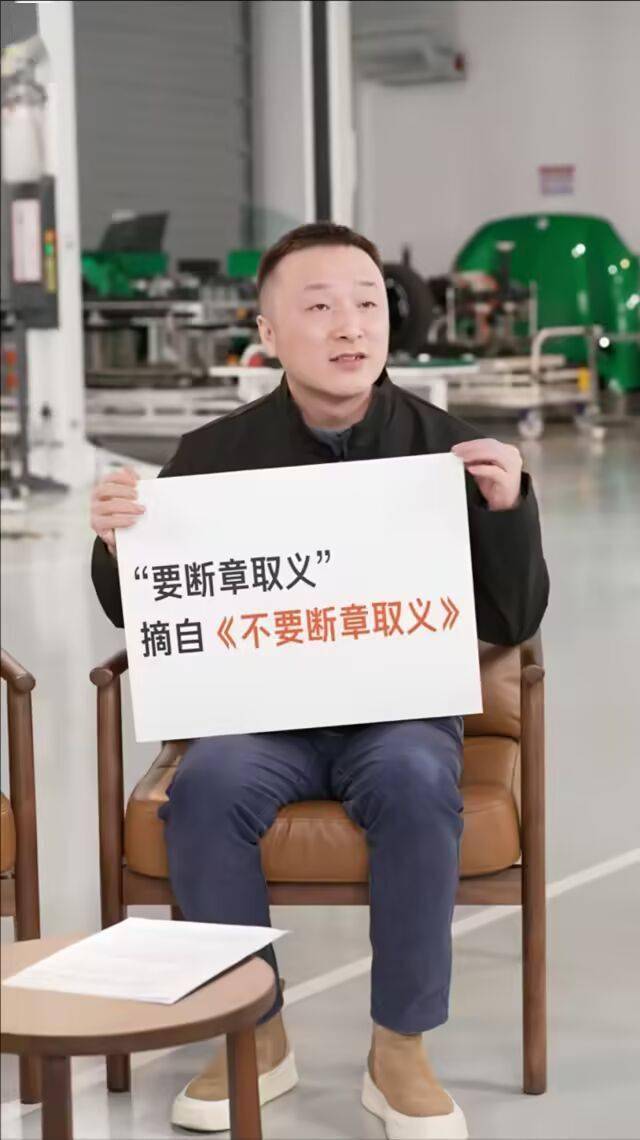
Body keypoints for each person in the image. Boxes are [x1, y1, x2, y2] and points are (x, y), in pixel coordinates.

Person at [90, 222, 549, 1140]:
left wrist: (507, 509)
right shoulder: (210, 456)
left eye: (368, 303)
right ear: (268, 331)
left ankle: (400, 1048)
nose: (351, 325)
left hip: (399, 716)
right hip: (263, 718)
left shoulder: (450, 453)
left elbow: (514, 620)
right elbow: (137, 613)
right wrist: (115, 539)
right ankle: (255, 1035)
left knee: (417, 782)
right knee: (208, 786)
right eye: (320, 306)